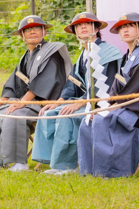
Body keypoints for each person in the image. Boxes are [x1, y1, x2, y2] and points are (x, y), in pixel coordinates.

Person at [78, 12, 139, 178]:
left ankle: (110, 171)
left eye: (130, 25)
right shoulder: (126, 59)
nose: (125, 30)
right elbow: (115, 90)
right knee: (88, 120)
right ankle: (90, 170)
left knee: (104, 119)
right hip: (128, 105)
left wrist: (113, 108)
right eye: (122, 27)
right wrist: (103, 106)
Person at [0, 15, 70, 171]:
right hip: (26, 101)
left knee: (16, 115)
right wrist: (1, 101)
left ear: (44, 31)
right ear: (22, 36)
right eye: (28, 29)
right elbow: (14, 82)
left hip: (45, 103)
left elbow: (45, 82)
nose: (32, 31)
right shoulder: (26, 56)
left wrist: (22, 102)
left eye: (37, 28)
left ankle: (20, 163)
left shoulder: (52, 52)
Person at [33, 12, 122, 175]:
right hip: (85, 100)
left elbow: (107, 88)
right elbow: (72, 83)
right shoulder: (83, 55)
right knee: (50, 112)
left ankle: (68, 166)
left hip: (103, 104)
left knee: (68, 116)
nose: (82, 27)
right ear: (74, 31)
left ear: (96, 28)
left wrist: (80, 103)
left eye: (87, 24)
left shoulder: (108, 53)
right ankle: (51, 160)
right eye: (78, 25)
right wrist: (59, 101)